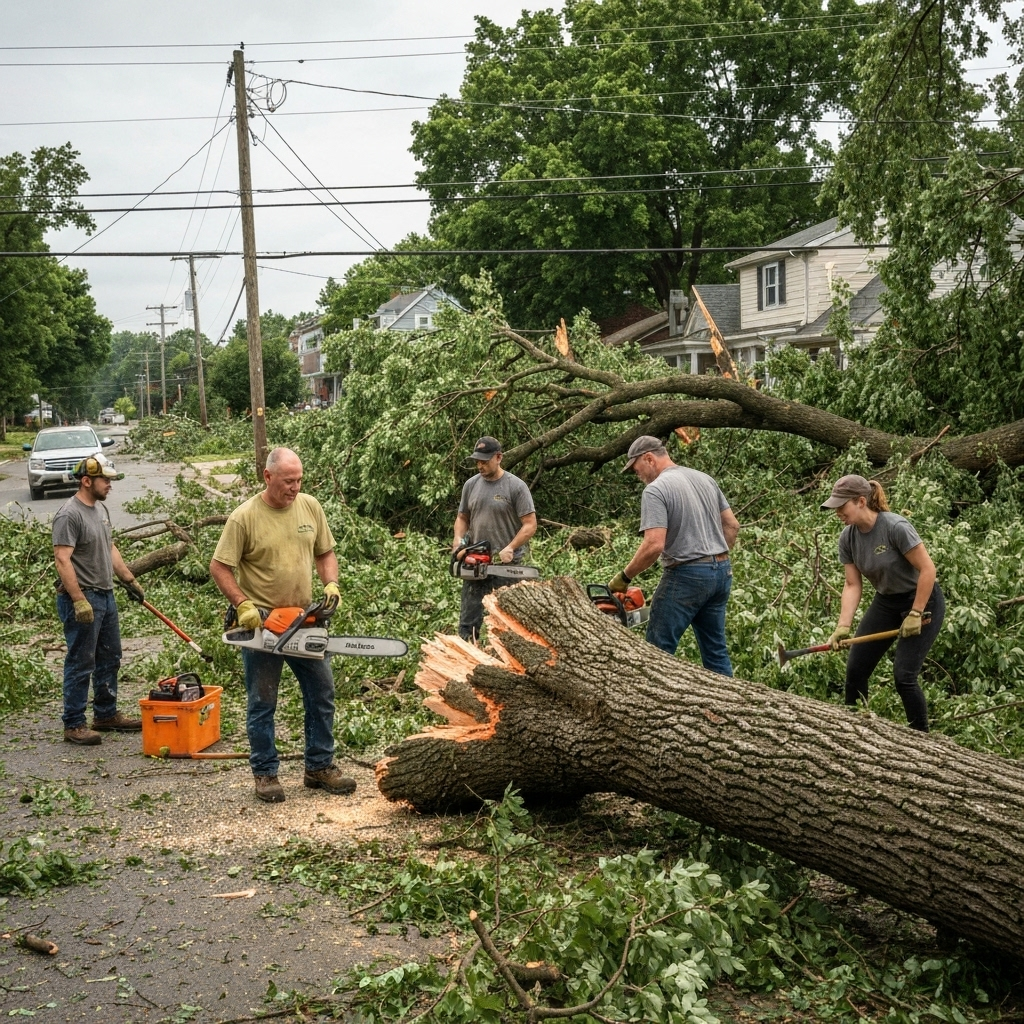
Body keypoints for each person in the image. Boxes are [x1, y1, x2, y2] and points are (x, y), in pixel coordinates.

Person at [210, 447, 352, 804]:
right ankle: (265, 772)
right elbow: (219, 567)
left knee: (322, 692)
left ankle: (319, 765)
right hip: (263, 623)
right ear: (267, 476)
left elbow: (325, 552)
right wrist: (242, 604)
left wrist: (330, 582)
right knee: (262, 700)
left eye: (299, 480)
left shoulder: (310, 506)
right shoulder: (244, 518)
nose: (294, 487)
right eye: (288, 481)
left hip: (304, 617)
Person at [821, 474, 944, 731]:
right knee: (856, 670)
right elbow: (853, 584)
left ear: (861, 501)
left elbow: (928, 570)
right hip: (886, 602)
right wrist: (843, 625)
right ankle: (854, 732)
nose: (838, 514)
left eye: (841, 507)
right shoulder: (847, 538)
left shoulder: (895, 527)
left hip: (922, 598)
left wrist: (916, 612)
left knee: (904, 677)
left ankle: (922, 741)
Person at [611, 436, 739, 673]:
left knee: (657, 650)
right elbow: (732, 526)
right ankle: (731, 707)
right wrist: (713, 558)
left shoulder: (656, 490)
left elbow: (654, 545)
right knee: (716, 651)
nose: (638, 476)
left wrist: (624, 577)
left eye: (637, 470)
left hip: (686, 574)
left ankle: (650, 703)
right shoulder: (705, 479)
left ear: (649, 458)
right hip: (722, 572)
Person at [52, 454, 144, 745]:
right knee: (81, 661)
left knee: (110, 656)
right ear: (87, 481)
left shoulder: (101, 510)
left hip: (106, 594)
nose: (110, 485)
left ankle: (105, 713)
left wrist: (129, 579)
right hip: (84, 596)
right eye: (106, 480)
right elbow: (62, 559)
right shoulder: (69, 514)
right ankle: (74, 723)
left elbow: (110, 547)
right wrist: (79, 600)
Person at [452, 436, 537, 643]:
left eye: (484, 461)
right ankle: (467, 657)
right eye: (477, 461)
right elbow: (462, 517)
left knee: (508, 624)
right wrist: (459, 541)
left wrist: (511, 547)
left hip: (506, 565)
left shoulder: (515, 486)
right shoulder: (470, 485)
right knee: (468, 622)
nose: (480, 465)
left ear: (498, 457)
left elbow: (530, 524)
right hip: (476, 562)